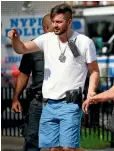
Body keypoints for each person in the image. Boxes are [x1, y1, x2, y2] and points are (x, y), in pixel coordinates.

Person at [8, 3, 100, 151]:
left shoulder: (84, 42)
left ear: (69, 22)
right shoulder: (46, 39)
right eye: (53, 21)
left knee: (68, 148)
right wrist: (14, 40)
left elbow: (94, 70)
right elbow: (21, 48)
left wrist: (90, 93)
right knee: (54, 149)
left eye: (59, 22)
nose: (55, 25)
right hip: (49, 104)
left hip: (70, 104)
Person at [11, 14, 54, 151]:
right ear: (45, 28)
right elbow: (24, 74)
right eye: (54, 27)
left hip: (60, 101)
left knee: (60, 144)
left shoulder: (67, 45)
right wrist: (16, 98)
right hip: (38, 102)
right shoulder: (33, 47)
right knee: (32, 141)